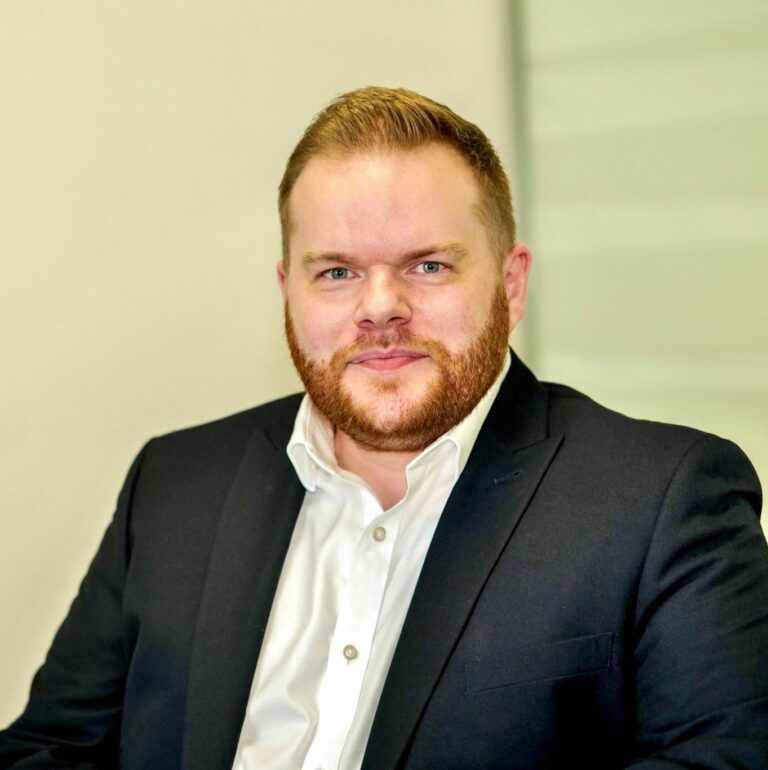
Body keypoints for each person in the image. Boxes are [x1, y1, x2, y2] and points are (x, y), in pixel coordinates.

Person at [1, 86, 767, 770]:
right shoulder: (173, 485)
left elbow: (722, 758)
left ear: (511, 284)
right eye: (336, 272)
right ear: (288, 291)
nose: (379, 308)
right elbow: (48, 750)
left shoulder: (661, 501)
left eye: (427, 265)